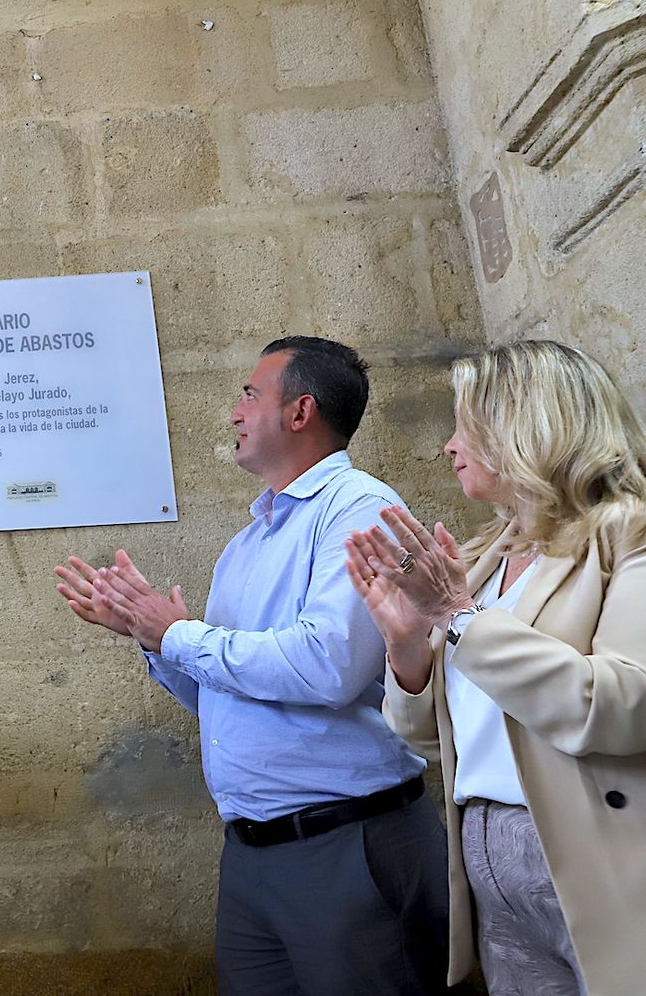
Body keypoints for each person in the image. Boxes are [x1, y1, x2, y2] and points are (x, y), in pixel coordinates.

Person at [55, 336, 448, 996]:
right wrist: (151, 636)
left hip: (346, 843)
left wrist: (178, 633)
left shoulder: (358, 510)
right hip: (252, 855)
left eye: (248, 395)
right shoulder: (246, 545)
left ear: (300, 412)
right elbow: (231, 696)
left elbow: (327, 666)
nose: (235, 413)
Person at [345, 340, 646, 996]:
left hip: (591, 848)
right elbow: (432, 741)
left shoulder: (628, 532)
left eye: (465, 427)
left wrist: (459, 615)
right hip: (484, 850)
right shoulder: (485, 553)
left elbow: (623, 706)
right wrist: (406, 647)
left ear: (526, 428)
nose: (449, 446)